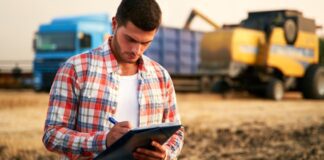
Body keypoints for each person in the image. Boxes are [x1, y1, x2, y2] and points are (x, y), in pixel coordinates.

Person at [42, 0, 184, 159]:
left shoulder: (161, 76)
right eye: (130, 39)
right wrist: (104, 140)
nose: (136, 50)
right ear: (114, 24)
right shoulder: (76, 68)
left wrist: (165, 154)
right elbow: (51, 135)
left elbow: (176, 134)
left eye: (145, 43)